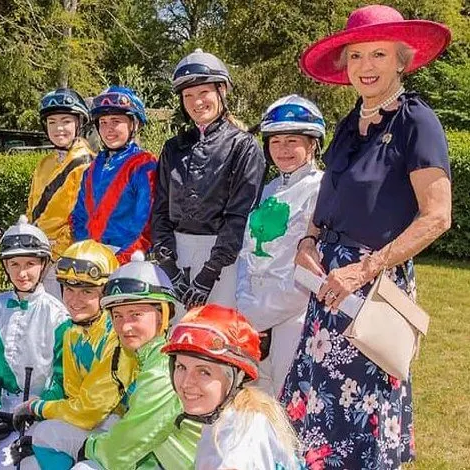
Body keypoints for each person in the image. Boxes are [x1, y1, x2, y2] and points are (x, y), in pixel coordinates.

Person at [281, 5, 452, 469]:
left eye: (378, 54)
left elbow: (437, 217)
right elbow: (327, 201)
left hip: (372, 285)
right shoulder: (347, 125)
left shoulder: (417, 122)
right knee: (316, 404)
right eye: (355, 56)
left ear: (402, 59)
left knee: (361, 408)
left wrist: (364, 269)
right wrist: (307, 242)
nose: (365, 66)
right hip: (327, 285)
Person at [152, 48, 266, 313]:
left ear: (221, 91)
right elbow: (160, 209)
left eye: (204, 92)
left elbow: (239, 215)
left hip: (222, 259)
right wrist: (168, 264)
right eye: (188, 95)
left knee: (215, 339)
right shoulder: (173, 147)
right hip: (176, 255)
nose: (196, 102)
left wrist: (209, 272)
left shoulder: (244, 146)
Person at [9, 240, 138, 469]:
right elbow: (71, 394)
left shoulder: (117, 336)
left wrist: (36, 408)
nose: (74, 301)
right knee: (29, 462)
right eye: (69, 289)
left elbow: (88, 411)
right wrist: (41, 413)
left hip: (131, 436)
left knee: (49, 437)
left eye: (86, 291)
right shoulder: (72, 332)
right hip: (101, 425)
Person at [73, 252, 201, 469]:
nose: (124, 326)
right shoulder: (158, 356)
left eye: (135, 314)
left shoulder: (163, 369)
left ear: (162, 315)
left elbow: (120, 452)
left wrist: (88, 447)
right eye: (118, 316)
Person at [236, 95, 325, 396]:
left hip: (293, 317)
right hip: (252, 315)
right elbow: (248, 253)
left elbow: (309, 272)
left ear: (313, 143)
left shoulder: (322, 189)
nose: (283, 150)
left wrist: (258, 317)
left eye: (292, 140)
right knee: (254, 405)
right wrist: (245, 308)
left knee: (290, 407)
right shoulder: (269, 189)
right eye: (275, 141)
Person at [0, 215, 71, 469]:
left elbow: (63, 378)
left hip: (41, 411)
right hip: (2, 404)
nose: (22, 273)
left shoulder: (59, 314)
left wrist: (35, 410)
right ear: (5, 266)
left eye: (30, 263)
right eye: (14, 264)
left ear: (44, 265)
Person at [162, 304, 305, 470]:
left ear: (236, 379)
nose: (186, 382)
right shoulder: (228, 417)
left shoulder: (241, 434)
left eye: (204, 372)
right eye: (181, 367)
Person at [71, 86, 157, 264]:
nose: (109, 129)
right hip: (90, 258)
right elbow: (79, 215)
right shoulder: (92, 168)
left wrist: (121, 259)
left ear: (134, 124)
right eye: (103, 122)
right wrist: (84, 250)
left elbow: (148, 221)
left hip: (127, 260)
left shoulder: (144, 165)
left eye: (116, 121)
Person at [27, 87, 94, 298]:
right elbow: (32, 207)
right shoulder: (44, 163)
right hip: (38, 253)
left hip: (65, 256)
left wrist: (52, 254)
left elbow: (81, 216)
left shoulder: (86, 163)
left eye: (65, 121)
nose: (59, 128)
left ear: (79, 123)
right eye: (52, 122)